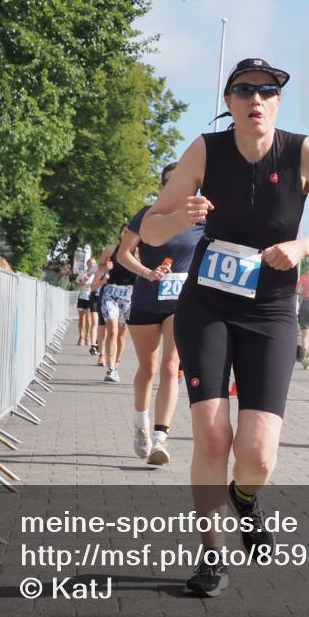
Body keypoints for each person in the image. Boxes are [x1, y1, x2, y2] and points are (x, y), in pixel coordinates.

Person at [139, 57, 309, 597]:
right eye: (245, 90)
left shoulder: (302, 153)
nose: (256, 99)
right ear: (229, 101)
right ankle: (210, 555)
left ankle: (244, 499)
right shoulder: (205, 150)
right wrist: (181, 217)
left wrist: (304, 246)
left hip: (270, 310)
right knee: (213, 436)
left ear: (278, 102)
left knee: (259, 452)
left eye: (267, 91)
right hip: (209, 306)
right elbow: (151, 228)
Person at [118, 162, 204, 465]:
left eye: (182, 182)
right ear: (161, 186)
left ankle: (160, 439)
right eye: (169, 182)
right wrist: (146, 271)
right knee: (148, 369)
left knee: (171, 367)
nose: (176, 188)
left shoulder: (202, 220)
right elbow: (123, 254)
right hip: (146, 299)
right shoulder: (147, 215)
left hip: (180, 303)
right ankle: (140, 424)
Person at [99, 231, 137, 381]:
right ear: (120, 234)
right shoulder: (110, 249)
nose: (127, 233)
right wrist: (105, 266)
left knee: (121, 333)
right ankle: (111, 368)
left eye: (130, 231)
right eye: (124, 231)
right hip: (110, 294)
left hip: (128, 296)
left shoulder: (138, 251)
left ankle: (117, 365)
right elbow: (100, 268)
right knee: (112, 330)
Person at [75, 257, 97, 346]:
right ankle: (81, 337)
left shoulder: (96, 274)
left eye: (94, 263)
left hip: (90, 297)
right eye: (90, 263)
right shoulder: (82, 273)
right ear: (87, 264)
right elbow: (76, 284)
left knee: (88, 319)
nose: (92, 265)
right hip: (81, 297)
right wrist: (82, 283)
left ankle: (87, 336)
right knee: (81, 319)